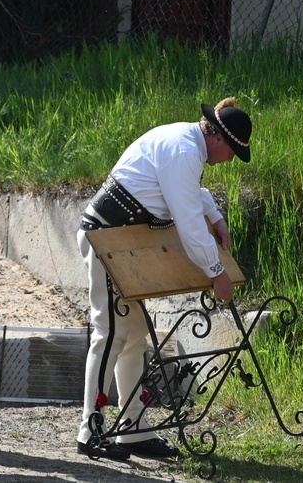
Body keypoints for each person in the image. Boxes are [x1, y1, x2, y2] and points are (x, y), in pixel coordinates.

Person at [76, 97, 253, 460]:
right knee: (110, 334)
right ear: (218, 138)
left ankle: (133, 431)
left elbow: (190, 193)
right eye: (233, 150)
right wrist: (216, 272)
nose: (231, 159)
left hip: (126, 243)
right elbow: (188, 222)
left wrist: (216, 216)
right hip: (107, 239)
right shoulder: (183, 150)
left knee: (136, 337)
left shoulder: (185, 144)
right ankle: (90, 429)